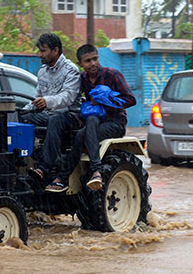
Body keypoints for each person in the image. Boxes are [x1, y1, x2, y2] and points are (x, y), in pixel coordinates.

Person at [46, 44, 136, 192]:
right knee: (84, 125)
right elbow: (71, 97)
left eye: (95, 59)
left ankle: (75, 175)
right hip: (93, 123)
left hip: (114, 123)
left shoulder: (112, 75)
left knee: (85, 130)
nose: (93, 63)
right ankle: (77, 174)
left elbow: (131, 100)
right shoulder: (82, 79)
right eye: (88, 61)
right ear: (80, 64)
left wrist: (106, 102)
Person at [20, 33, 81, 186]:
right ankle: (19, 163)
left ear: (55, 50)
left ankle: (43, 169)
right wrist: (22, 110)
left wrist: (46, 102)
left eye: (43, 51)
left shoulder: (70, 70)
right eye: (39, 50)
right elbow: (38, 97)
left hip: (70, 116)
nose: (39, 54)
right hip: (48, 114)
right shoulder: (42, 71)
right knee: (20, 118)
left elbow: (68, 97)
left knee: (55, 120)